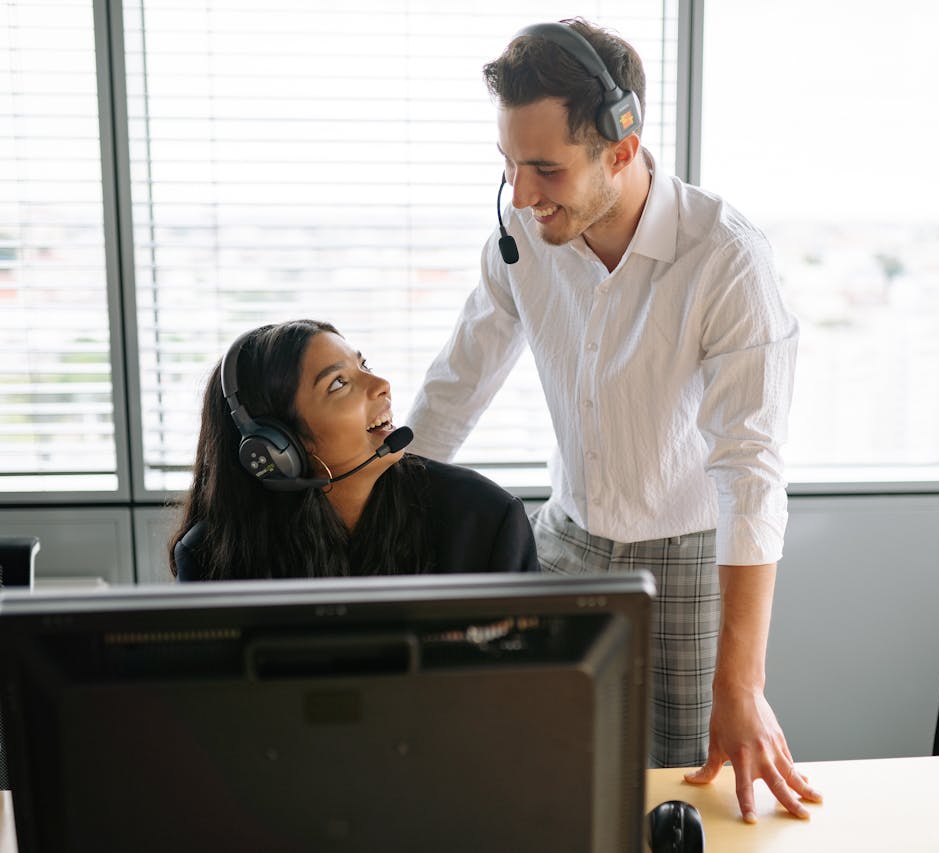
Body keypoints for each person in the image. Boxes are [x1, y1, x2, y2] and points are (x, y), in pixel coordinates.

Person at [405, 19, 820, 822]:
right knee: (536, 774)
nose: (521, 195)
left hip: (695, 557)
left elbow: (752, 471)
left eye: (545, 169)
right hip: (568, 541)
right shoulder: (524, 235)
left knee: (685, 798)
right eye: (509, 165)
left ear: (621, 149)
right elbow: (454, 390)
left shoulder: (725, 258)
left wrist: (742, 682)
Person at [170, 319, 539, 581]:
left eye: (364, 365)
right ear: (276, 447)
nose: (381, 384)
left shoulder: (484, 519)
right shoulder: (213, 556)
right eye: (339, 383)